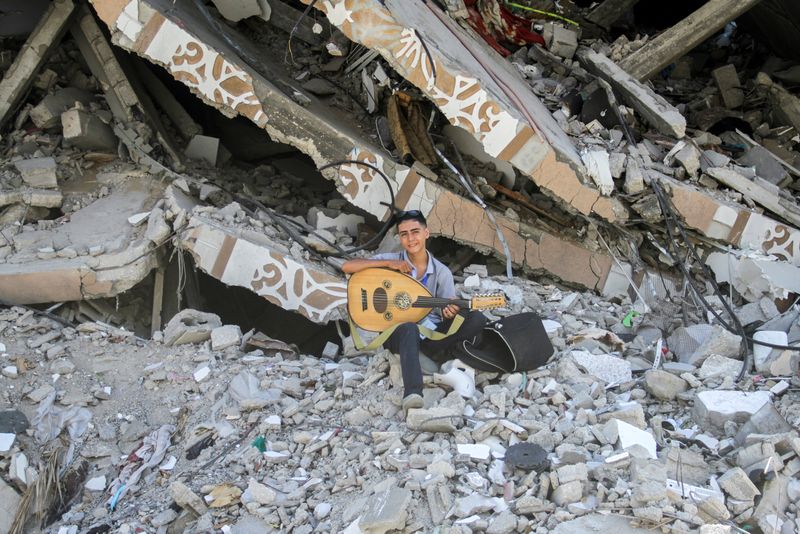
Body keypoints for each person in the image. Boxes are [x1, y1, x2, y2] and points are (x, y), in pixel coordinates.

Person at [342, 210, 487, 418]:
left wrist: (449, 314)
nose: (410, 239)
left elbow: (448, 308)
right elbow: (347, 266)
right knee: (408, 327)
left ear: (426, 233)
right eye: (404, 234)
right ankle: (413, 392)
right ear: (400, 238)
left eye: (415, 232)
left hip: (430, 335)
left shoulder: (441, 272)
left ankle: (435, 355)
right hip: (397, 334)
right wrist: (386, 264)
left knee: (477, 319)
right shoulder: (392, 261)